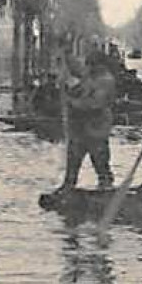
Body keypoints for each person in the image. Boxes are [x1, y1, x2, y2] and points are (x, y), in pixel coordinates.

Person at [60, 50, 118, 190]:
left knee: (100, 161)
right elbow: (77, 70)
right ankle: (68, 188)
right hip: (80, 128)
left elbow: (95, 104)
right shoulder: (91, 76)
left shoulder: (105, 80)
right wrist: (65, 54)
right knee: (73, 161)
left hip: (96, 128)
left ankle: (105, 188)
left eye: (90, 64)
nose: (87, 67)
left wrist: (72, 102)